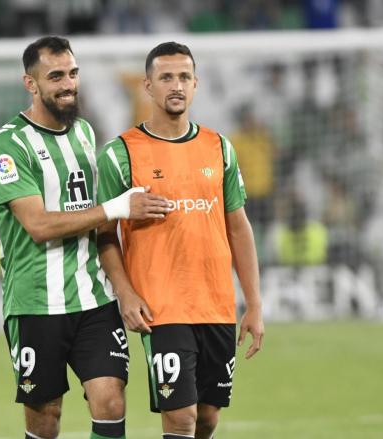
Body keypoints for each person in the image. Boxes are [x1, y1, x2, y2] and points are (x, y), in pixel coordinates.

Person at [0, 36, 169, 439]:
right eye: (56, 76)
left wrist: (124, 290)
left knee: (110, 399)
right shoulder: (8, 144)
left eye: (72, 73)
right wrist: (117, 207)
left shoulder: (85, 133)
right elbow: (38, 225)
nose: (68, 84)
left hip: (94, 298)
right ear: (30, 84)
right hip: (35, 301)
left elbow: (100, 229)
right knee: (45, 417)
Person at [97, 42, 265, 439]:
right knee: (181, 417)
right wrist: (125, 293)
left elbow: (238, 228)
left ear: (196, 84)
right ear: (148, 86)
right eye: (166, 77)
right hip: (163, 308)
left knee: (207, 418)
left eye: (184, 77)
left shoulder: (219, 148)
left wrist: (254, 303)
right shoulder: (120, 154)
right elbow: (103, 235)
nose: (177, 85)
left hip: (217, 305)